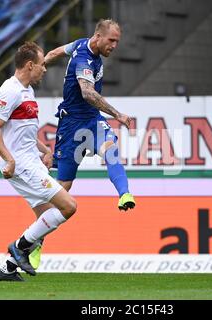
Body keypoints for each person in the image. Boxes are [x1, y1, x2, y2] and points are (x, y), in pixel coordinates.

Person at [0, 42, 77, 281]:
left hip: (31, 161)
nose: (45, 69)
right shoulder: (10, 90)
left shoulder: (27, 90)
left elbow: (23, 132)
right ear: (29, 65)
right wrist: (10, 160)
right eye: (42, 65)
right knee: (68, 206)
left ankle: (8, 268)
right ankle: (19, 246)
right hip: (22, 165)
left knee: (46, 217)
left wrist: (45, 150)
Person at [44, 19, 136, 211]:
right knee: (64, 186)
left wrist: (42, 64)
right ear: (98, 36)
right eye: (111, 40)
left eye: (117, 41)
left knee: (110, 150)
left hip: (92, 120)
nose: (114, 46)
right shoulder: (83, 59)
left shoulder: (79, 43)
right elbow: (87, 93)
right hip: (71, 125)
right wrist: (117, 114)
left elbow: (55, 52)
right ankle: (37, 234)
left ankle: (124, 194)